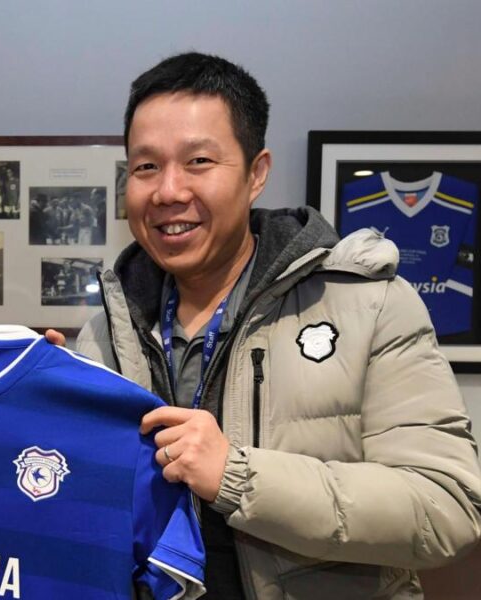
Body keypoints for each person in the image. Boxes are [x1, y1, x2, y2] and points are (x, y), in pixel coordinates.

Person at [73, 52, 481, 598]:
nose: (168, 190)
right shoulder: (101, 335)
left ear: (256, 173)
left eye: (198, 162)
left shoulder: (372, 305)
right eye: (146, 166)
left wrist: (237, 476)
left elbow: (446, 508)